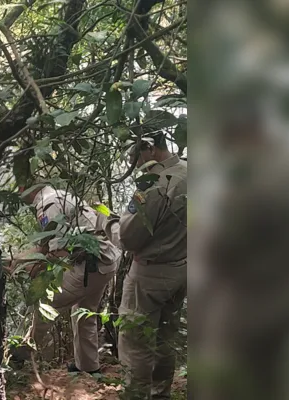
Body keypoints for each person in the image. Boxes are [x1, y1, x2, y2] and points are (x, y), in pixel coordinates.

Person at [98, 133, 187, 399]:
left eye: (133, 156)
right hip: (183, 267)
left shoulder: (152, 185)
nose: (132, 164)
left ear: (148, 148)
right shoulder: (189, 170)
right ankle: (161, 393)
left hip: (151, 273)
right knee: (164, 339)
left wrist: (109, 223)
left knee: (136, 343)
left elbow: (127, 238)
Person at [8, 184, 121, 374]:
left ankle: (19, 355)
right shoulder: (60, 194)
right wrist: (16, 260)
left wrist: (32, 268)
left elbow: (57, 253)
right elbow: (45, 247)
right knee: (84, 312)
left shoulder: (47, 204)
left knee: (46, 302)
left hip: (91, 264)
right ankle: (88, 366)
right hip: (105, 260)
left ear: (26, 188)